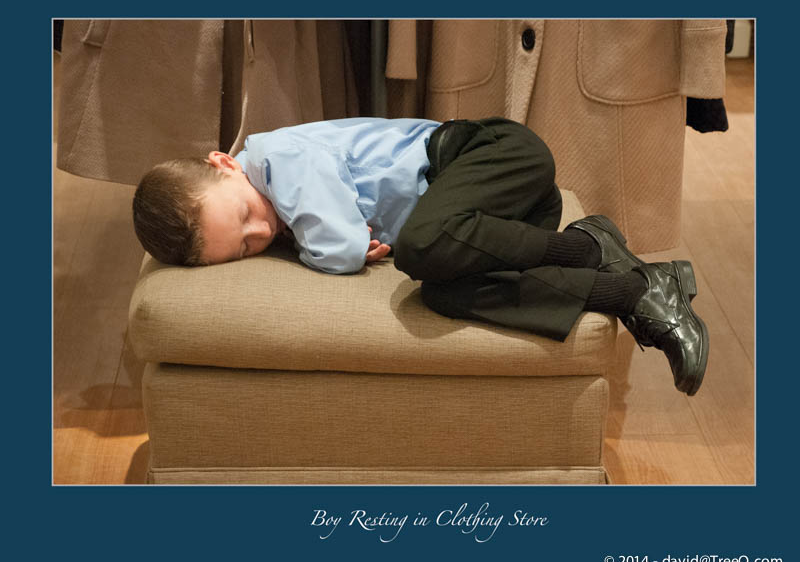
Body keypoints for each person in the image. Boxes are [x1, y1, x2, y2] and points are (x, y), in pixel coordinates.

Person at [132, 117, 709, 395]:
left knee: (419, 245)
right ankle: (632, 288)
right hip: (501, 218)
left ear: (223, 163)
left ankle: (592, 249)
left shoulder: (272, 158)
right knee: (442, 292)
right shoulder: (271, 205)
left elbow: (339, 247)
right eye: (246, 247)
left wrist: (343, 247)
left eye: (243, 216)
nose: (262, 228)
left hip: (495, 155)